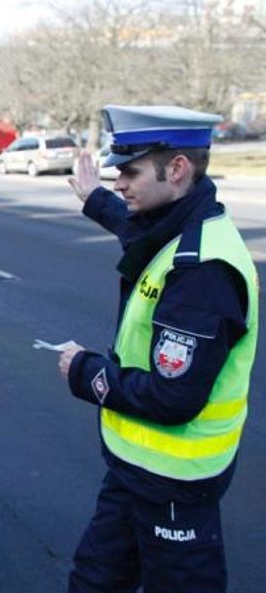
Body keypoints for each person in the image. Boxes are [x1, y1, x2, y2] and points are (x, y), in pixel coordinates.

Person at [61, 104, 258, 592]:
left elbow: (173, 399)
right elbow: (139, 231)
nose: (119, 182)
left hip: (176, 482)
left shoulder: (201, 271)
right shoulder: (175, 224)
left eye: (129, 171)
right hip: (134, 467)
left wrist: (85, 372)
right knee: (95, 579)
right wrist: (95, 198)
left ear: (176, 169)